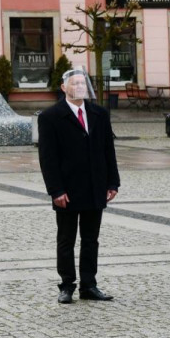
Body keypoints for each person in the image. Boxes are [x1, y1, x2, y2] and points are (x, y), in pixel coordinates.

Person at [37, 68, 120, 305]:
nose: (79, 87)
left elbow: (108, 150)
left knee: (91, 239)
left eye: (82, 83)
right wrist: (55, 190)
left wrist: (112, 181)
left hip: (95, 185)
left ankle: (89, 284)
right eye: (74, 83)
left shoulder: (99, 114)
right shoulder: (51, 117)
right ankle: (67, 285)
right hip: (68, 189)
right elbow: (48, 158)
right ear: (64, 88)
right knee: (66, 239)